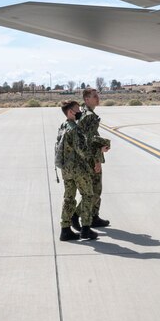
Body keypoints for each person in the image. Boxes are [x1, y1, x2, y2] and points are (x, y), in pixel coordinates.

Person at [56, 100, 98, 241]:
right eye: (77, 109)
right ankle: (85, 228)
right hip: (78, 169)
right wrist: (96, 155)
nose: (80, 111)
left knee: (69, 198)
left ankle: (65, 229)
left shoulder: (63, 125)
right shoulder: (74, 129)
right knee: (88, 195)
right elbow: (83, 151)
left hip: (66, 169)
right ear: (70, 112)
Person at [75, 88, 111, 229]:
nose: (97, 98)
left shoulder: (83, 113)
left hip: (84, 157)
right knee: (95, 190)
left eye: (97, 95)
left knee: (94, 190)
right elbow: (89, 141)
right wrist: (97, 160)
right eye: (94, 96)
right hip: (90, 158)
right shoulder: (89, 116)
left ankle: (93, 216)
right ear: (86, 99)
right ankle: (75, 215)